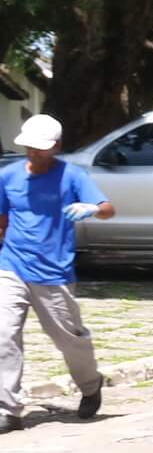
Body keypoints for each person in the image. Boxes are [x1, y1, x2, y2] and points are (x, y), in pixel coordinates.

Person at [0, 114, 114, 431]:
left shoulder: (72, 176)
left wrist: (91, 208)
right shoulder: (7, 177)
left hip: (53, 273)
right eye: (30, 147)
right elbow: (2, 221)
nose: (34, 153)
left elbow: (108, 208)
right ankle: (8, 408)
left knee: (68, 339)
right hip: (11, 267)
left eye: (41, 148)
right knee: (3, 335)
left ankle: (91, 385)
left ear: (57, 146)